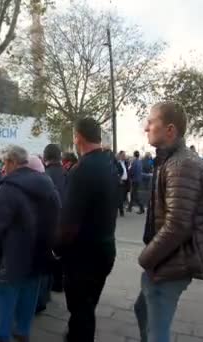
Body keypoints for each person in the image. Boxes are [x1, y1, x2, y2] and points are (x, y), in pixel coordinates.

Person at [134, 102, 203, 342]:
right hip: (166, 259)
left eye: (151, 122)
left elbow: (178, 225)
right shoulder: (170, 161)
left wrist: (146, 259)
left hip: (172, 263)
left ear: (170, 130)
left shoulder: (182, 165)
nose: (146, 127)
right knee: (143, 312)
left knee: (156, 331)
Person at [0, 146, 60, 342]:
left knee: (4, 299)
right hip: (38, 254)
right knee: (28, 296)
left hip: (9, 257)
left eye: (4, 163)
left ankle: (3, 336)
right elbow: (56, 218)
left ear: (12, 163)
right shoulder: (47, 184)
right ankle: (23, 331)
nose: (3, 167)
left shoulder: (7, 189)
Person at [58, 118, 119, 342]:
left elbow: (70, 222)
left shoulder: (81, 169)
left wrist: (57, 249)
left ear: (78, 137)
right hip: (105, 248)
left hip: (83, 255)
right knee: (87, 306)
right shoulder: (110, 163)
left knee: (81, 310)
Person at [41, 144, 69, 303]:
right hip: (67, 220)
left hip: (51, 221)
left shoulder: (45, 175)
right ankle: (60, 283)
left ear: (46, 157)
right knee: (61, 254)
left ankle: (52, 286)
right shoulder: (67, 173)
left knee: (50, 254)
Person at [116, 151, 129, 217]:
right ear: (120, 156)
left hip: (126, 182)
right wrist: (119, 178)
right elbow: (116, 172)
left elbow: (127, 171)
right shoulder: (117, 163)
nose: (124, 156)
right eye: (123, 155)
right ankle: (121, 211)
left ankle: (120, 209)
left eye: (125, 155)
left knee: (123, 197)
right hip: (119, 183)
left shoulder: (126, 163)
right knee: (120, 197)